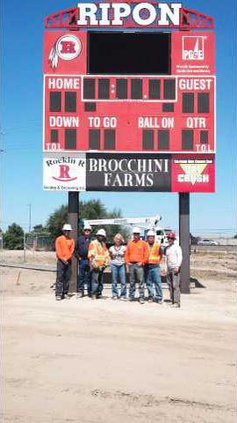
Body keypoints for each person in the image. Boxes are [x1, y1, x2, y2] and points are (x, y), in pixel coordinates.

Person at [125, 227, 149, 304]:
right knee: (132, 281)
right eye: (135, 234)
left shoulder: (143, 243)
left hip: (139, 265)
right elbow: (126, 254)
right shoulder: (130, 243)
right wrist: (127, 262)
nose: (136, 236)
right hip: (131, 265)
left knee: (141, 281)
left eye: (137, 234)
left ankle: (141, 297)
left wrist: (142, 262)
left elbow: (147, 254)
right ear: (133, 234)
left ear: (139, 235)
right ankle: (131, 296)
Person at [88, 229, 110, 299]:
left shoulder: (103, 244)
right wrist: (94, 264)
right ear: (97, 236)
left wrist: (106, 263)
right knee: (95, 280)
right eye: (100, 236)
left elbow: (106, 254)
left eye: (102, 236)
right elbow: (91, 254)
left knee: (100, 280)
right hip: (96, 265)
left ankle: (99, 293)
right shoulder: (93, 243)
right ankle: (93, 294)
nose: (101, 237)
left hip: (102, 265)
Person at [55, 223, 75, 301]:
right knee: (60, 277)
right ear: (63, 231)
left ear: (70, 231)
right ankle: (58, 294)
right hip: (60, 261)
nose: (67, 232)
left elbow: (72, 251)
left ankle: (65, 293)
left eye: (68, 231)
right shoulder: (59, 239)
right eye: (66, 230)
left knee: (67, 278)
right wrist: (63, 259)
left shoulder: (72, 240)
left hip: (68, 261)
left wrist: (67, 258)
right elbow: (58, 250)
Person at [144, 230, 163, 304]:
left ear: (154, 238)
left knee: (157, 282)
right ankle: (151, 296)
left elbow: (161, 255)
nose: (151, 239)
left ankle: (159, 297)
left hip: (155, 267)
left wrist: (158, 261)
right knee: (149, 283)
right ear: (147, 238)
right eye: (149, 237)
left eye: (152, 237)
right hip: (147, 266)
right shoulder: (145, 245)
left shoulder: (157, 245)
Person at [165, 231, 183, 308]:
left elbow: (180, 257)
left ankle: (177, 302)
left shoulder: (177, 247)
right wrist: (165, 268)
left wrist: (177, 266)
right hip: (169, 268)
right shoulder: (167, 248)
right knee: (170, 285)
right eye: (169, 238)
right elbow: (166, 259)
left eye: (171, 238)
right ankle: (172, 300)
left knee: (175, 285)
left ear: (173, 239)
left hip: (175, 268)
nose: (170, 239)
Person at [74, 223, 92, 298]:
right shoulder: (79, 239)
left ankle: (89, 291)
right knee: (81, 276)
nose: (87, 231)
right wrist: (79, 258)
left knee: (89, 276)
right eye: (86, 230)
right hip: (82, 260)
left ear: (90, 231)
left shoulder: (93, 240)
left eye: (88, 230)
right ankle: (80, 291)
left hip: (90, 260)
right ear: (83, 231)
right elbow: (75, 250)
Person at [109, 233, 127, 300]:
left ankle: (123, 295)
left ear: (121, 240)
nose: (118, 240)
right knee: (114, 280)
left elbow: (125, 256)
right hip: (114, 265)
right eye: (116, 239)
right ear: (114, 240)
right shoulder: (111, 248)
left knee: (123, 281)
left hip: (122, 265)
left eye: (119, 239)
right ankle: (115, 294)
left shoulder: (124, 248)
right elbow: (110, 256)